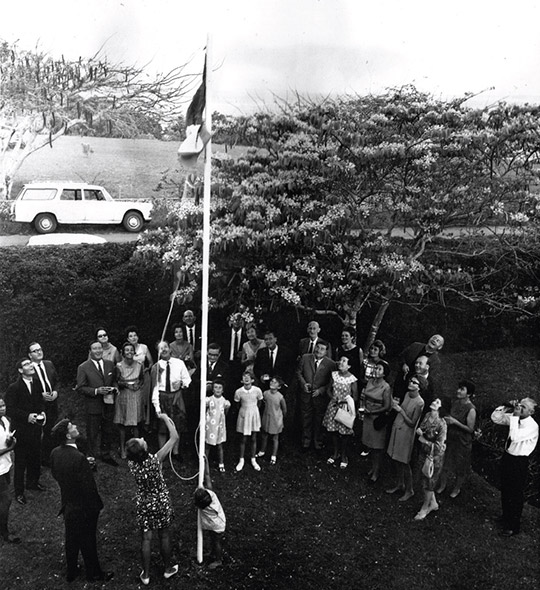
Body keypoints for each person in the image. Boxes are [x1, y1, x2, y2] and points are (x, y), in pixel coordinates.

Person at [50, 419, 113, 583]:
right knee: (88, 539)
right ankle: (95, 573)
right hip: (84, 507)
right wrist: (96, 506)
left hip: (68, 503)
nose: (76, 427)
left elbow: (56, 474)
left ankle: (71, 571)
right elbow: (89, 488)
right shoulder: (78, 458)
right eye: (72, 427)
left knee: (71, 538)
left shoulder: (55, 453)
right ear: (68, 435)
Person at [126, 414, 179, 584]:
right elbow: (175, 437)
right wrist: (165, 418)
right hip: (160, 501)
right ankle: (168, 569)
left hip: (144, 502)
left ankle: (146, 575)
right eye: (141, 440)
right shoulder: (156, 460)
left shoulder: (132, 464)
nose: (142, 438)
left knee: (146, 538)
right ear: (144, 449)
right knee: (164, 535)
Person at [491, 397, 538, 537]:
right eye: (519, 405)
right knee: (505, 489)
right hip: (508, 457)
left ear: (531, 411)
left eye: (523, 407)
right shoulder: (514, 417)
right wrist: (505, 406)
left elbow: (515, 436)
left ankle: (513, 526)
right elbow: (496, 418)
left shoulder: (532, 426)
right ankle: (505, 517)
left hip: (519, 462)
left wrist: (515, 417)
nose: (519, 408)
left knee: (515, 494)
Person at [5, 358, 46, 505]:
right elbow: (9, 409)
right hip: (21, 430)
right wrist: (26, 416)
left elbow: (40, 402)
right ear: (21, 370)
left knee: (35, 457)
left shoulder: (37, 383)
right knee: (21, 461)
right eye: (26, 364)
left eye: (30, 363)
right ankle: (19, 492)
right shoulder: (14, 388)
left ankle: (33, 483)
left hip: (35, 428)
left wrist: (42, 412)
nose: (30, 366)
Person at [76, 341, 118, 467]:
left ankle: (105, 454)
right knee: (92, 432)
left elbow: (114, 380)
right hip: (93, 405)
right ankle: (91, 458)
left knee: (107, 430)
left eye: (100, 348)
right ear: (90, 351)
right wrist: (96, 391)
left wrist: (115, 388)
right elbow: (80, 387)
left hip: (108, 404)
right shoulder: (83, 367)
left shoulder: (110, 364)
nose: (98, 351)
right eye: (95, 349)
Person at [151, 341, 191, 462]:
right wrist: (157, 407)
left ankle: (175, 452)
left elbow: (187, 380)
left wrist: (182, 383)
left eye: (165, 347)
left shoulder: (179, 363)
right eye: (160, 348)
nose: (163, 350)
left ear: (170, 349)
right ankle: (162, 453)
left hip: (176, 397)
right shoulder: (156, 367)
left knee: (177, 425)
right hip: (162, 397)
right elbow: (154, 389)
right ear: (158, 352)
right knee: (162, 427)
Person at [386, 377, 425, 500]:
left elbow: (413, 423)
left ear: (419, 387)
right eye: (411, 381)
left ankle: (409, 490)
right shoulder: (407, 394)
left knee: (404, 461)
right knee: (396, 458)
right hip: (397, 427)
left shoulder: (420, 402)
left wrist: (400, 411)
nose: (411, 383)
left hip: (406, 434)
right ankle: (400, 484)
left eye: (414, 382)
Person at [437, 379, 477, 498]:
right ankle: (442, 486)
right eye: (459, 388)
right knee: (445, 464)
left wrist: (455, 422)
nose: (458, 391)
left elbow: (470, 429)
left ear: (468, 394)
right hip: (451, 438)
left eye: (462, 389)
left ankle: (456, 489)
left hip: (462, 441)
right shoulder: (455, 403)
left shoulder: (471, 409)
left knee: (460, 466)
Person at [296, 340, 336, 450]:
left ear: (326, 352)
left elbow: (331, 382)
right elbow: (298, 372)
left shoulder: (331, 364)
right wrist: (303, 384)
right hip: (306, 394)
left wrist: (321, 390)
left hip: (320, 397)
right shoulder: (305, 358)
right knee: (306, 418)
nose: (318, 350)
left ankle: (318, 442)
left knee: (319, 420)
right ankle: (306, 441)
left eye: (322, 349)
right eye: (317, 347)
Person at [322, 356, 358, 469]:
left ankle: (343, 456)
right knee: (333, 431)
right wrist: (333, 397)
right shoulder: (334, 375)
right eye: (340, 360)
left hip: (345, 408)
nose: (340, 363)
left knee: (344, 433)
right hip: (333, 406)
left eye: (344, 361)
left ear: (349, 366)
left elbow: (355, 396)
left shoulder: (352, 379)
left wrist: (344, 402)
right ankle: (335, 452)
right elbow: (328, 389)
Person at [414, 398, 447, 520]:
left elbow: (439, 446)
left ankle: (424, 508)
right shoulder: (428, 415)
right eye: (434, 401)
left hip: (434, 457)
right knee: (425, 479)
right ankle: (433, 503)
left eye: (438, 402)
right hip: (424, 452)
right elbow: (423, 427)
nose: (434, 402)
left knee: (429, 482)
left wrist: (425, 441)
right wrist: (420, 431)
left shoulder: (442, 424)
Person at [28, 341, 59, 465]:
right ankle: (38, 458)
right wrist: (40, 395)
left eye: (40, 349)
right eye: (35, 351)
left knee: (50, 430)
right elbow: (26, 389)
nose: (39, 352)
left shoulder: (49, 364)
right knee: (37, 432)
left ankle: (49, 456)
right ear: (30, 355)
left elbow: (57, 381)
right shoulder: (28, 368)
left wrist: (56, 392)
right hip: (38, 405)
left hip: (52, 404)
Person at [361, 360, 392, 482]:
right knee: (369, 444)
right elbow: (365, 396)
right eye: (375, 368)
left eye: (379, 369)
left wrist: (372, 412)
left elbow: (387, 406)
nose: (376, 370)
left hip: (377, 418)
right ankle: (372, 468)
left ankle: (376, 471)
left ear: (384, 373)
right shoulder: (369, 382)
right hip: (367, 416)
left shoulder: (386, 387)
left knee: (377, 448)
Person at [194, 457, 226, 570]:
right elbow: (207, 475)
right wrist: (206, 463)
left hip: (217, 525)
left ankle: (218, 560)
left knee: (216, 541)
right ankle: (213, 554)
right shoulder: (210, 493)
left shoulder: (203, 507)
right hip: (217, 522)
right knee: (213, 540)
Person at [114, 342, 144, 459]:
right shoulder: (119, 366)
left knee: (136, 423)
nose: (129, 352)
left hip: (136, 395)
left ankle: (136, 450)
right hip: (124, 395)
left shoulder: (139, 365)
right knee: (123, 424)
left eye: (131, 350)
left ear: (134, 352)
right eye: (127, 350)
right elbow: (117, 381)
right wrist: (127, 385)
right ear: (123, 352)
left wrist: (138, 385)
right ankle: (122, 449)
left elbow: (141, 379)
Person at [394, 334, 444, 402]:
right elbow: (401, 356)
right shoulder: (415, 346)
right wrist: (403, 364)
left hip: (415, 388)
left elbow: (431, 379)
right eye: (434, 338)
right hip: (401, 380)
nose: (434, 340)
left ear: (439, 347)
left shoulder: (436, 361)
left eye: (438, 341)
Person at [234, 371, 263, 471]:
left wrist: (253, 411)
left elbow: (259, 402)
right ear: (241, 380)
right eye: (244, 377)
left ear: (253, 380)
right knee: (243, 438)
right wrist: (244, 412)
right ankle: (241, 460)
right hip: (243, 415)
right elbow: (237, 404)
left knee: (254, 438)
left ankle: (253, 459)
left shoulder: (257, 390)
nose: (246, 378)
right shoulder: (238, 392)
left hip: (254, 414)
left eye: (248, 377)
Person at [0, 397, 20, 544]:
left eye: (3, 405)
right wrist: (11, 447)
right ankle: (5, 533)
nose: (2, 408)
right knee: (6, 499)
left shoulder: (6, 421)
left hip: (6, 465)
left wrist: (9, 440)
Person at [126, 326, 153, 427]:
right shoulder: (127, 349)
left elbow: (151, 362)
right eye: (131, 336)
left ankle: (146, 422)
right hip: (132, 377)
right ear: (128, 339)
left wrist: (146, 369)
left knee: (145, 399)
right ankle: (134, 422)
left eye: (135, 335)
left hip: (144, 376)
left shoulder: (144, 347)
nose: (133, 338)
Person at [256, 376, 287, 464]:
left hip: (276, 419)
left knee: (275, 438)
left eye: (275, 382)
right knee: (264, 434)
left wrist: (282, 418)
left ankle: (273, 455)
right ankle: (262, 451)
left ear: (279, 387)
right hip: (267, 416)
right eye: (271, 381)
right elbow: (262, 402)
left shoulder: (280, 397)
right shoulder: (265, 393)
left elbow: (284, 409)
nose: (272, 383)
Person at [205, 380, 231, 472]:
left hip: (219, 425)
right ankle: (205, 462)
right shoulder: (208, 400)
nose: (218, 390)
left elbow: (225, 413)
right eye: (215, 387)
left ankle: (221, 463)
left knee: (220, 445)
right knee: (208, 444)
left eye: (220, 388)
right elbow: (206, 410)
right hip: (210, 426)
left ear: (223, 390)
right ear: (212, 389)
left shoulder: (225, 402)